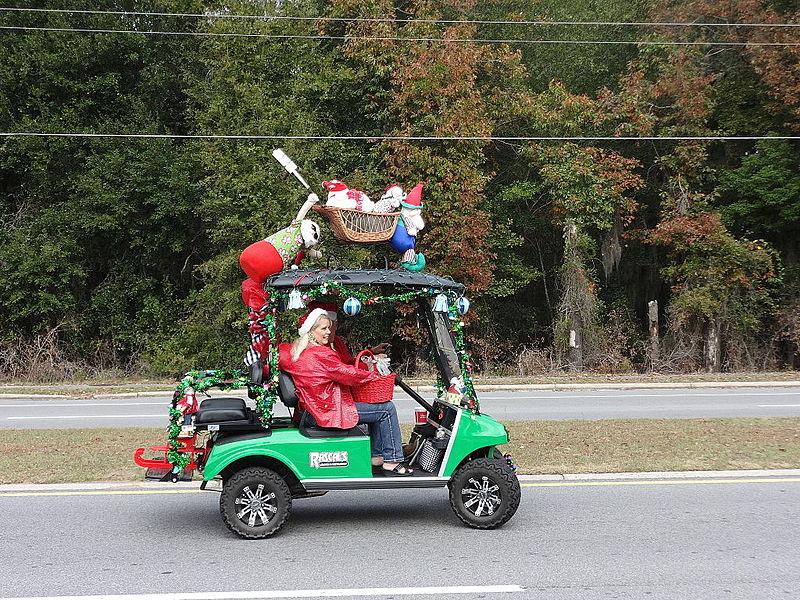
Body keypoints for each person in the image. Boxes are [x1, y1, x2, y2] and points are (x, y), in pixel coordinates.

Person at [279, 307, 413, 476]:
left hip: (313, 409)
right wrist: (371, 375)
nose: (328, 332)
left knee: (377, 409)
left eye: (329, 327)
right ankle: (392, 460)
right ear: (312, 330)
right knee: (387, 409)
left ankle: (378, 455)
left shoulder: (296, 352)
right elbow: (348, 374)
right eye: (324, 328)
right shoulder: (320, 354)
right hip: (327, 410)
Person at [301, 301, 389, 365]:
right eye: (324, 328)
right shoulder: (315, 350)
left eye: (332, 325)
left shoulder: (337, 341)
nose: (330, 331)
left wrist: (371, 352)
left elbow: (349, 363)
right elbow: (343, 372)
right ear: (313, 329)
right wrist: (370, 365)